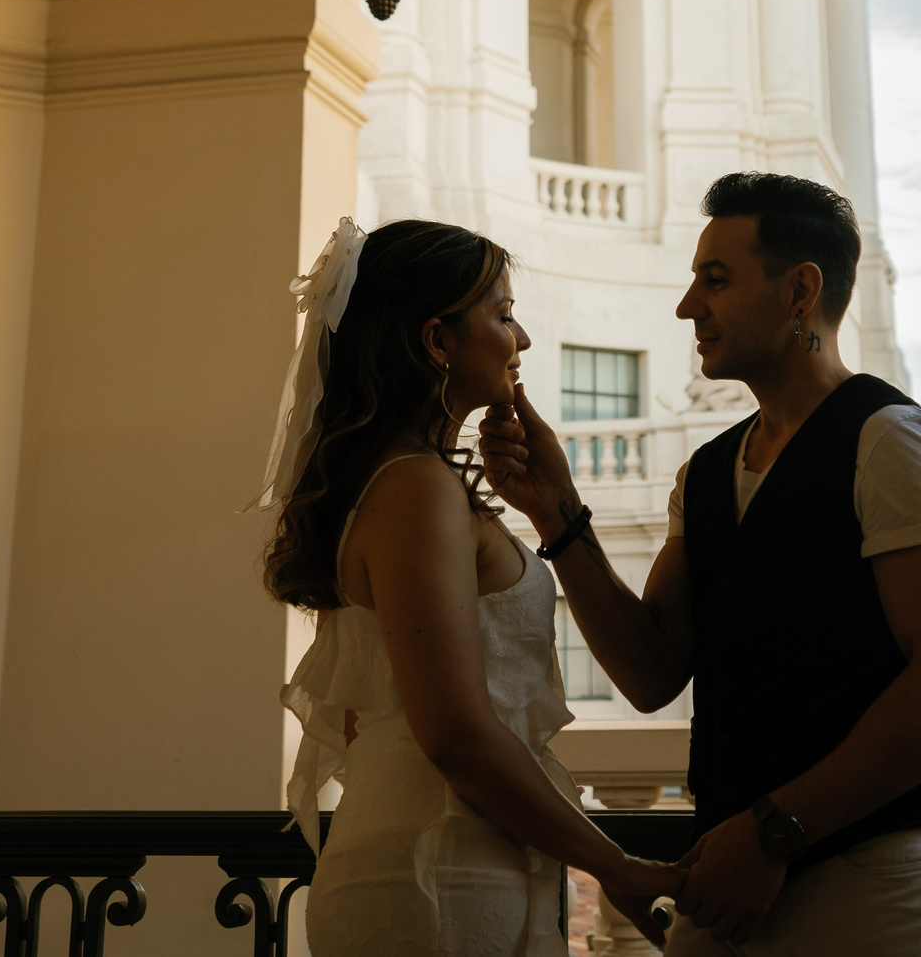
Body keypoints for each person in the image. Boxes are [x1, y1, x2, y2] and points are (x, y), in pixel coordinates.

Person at [481, 173, 921, 954]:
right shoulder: (708, 471)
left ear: (800, 291)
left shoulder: (890, 441)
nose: (689, 305)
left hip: (876, 886)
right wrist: (556, 512)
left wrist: (774, 832)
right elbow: (652, 671)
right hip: (728, 888)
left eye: (714, 280)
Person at [257, 217, 690, 955]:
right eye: (503, 314)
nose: (520, 339)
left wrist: (551, 501)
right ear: (436, 340)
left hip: (433, 852)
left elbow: (368, 715)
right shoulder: (416, 486)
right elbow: (455, 730)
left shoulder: (396, 484)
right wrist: (613, 863)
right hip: (438, 870)